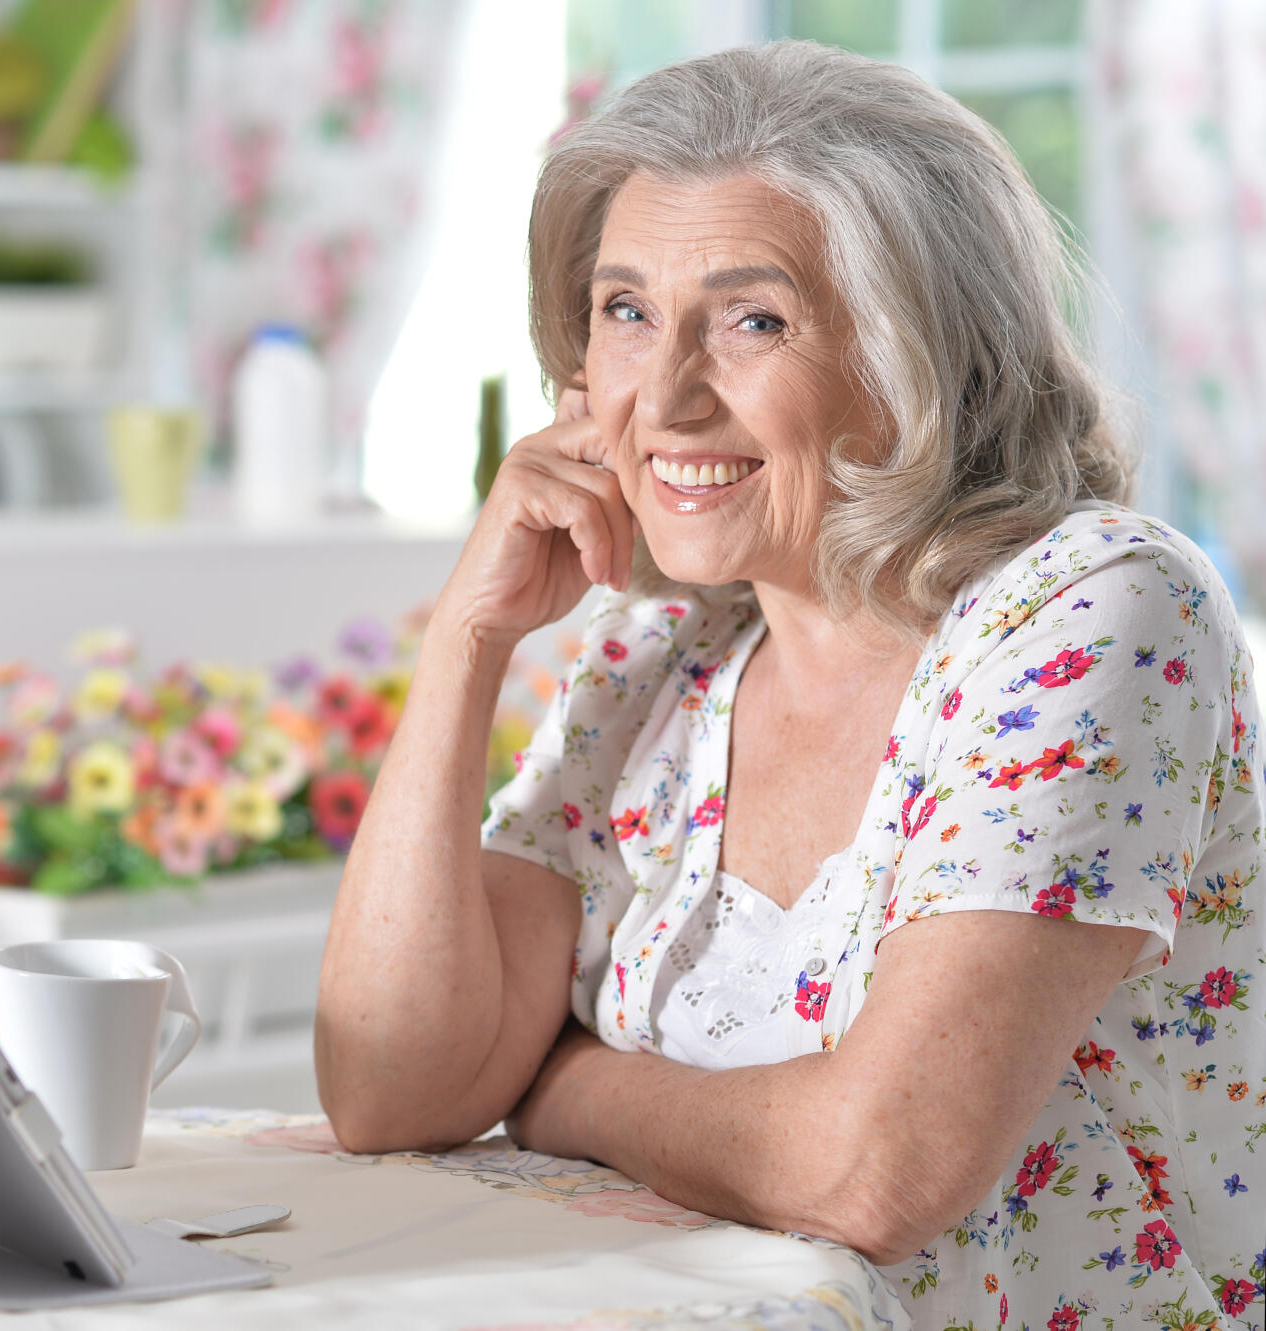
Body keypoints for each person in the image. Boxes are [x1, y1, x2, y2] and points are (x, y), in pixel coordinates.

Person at [314, 40, 1266, 1331]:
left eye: (755, 320)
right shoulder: (659, 656)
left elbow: (876, 1170)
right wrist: (468, 641)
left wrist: (565, 1088)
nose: (664, 397)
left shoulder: (1092, 608)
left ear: (920, 353)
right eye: (625, 312)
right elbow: (389, 1089)